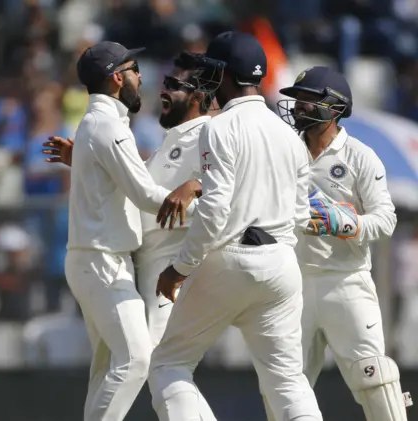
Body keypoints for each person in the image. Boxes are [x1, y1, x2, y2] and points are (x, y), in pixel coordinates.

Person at [148, 31, 323, 421]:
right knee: (288, 381)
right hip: (280, 264)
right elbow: (299, 214)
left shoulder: (218, 127)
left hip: (228, 259)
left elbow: (214, 211)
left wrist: (180, 268)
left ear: (223, 74)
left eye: (211, 71)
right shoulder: (290, 135)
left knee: (168, 364)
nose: (208, 80)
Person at [57, 41, 201, 421]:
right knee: (136, 359)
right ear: (117, 78)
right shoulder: (108, 126)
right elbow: (146, 194)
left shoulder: (99, 124)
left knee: (108, 368)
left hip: (96, 259)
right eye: (135, 69)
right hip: (103, 262)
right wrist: (201, 202)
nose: (141, 77)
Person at [266, 65, 412, 421]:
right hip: (293, 284)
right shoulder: (286, 152)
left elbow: (385, 220)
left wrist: (344, 222)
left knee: (374, 378)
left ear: (335, 107)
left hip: (345, 282)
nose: (298, 106)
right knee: (284, 384)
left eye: (307, 100)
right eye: (296, 100)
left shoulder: (361, 157)